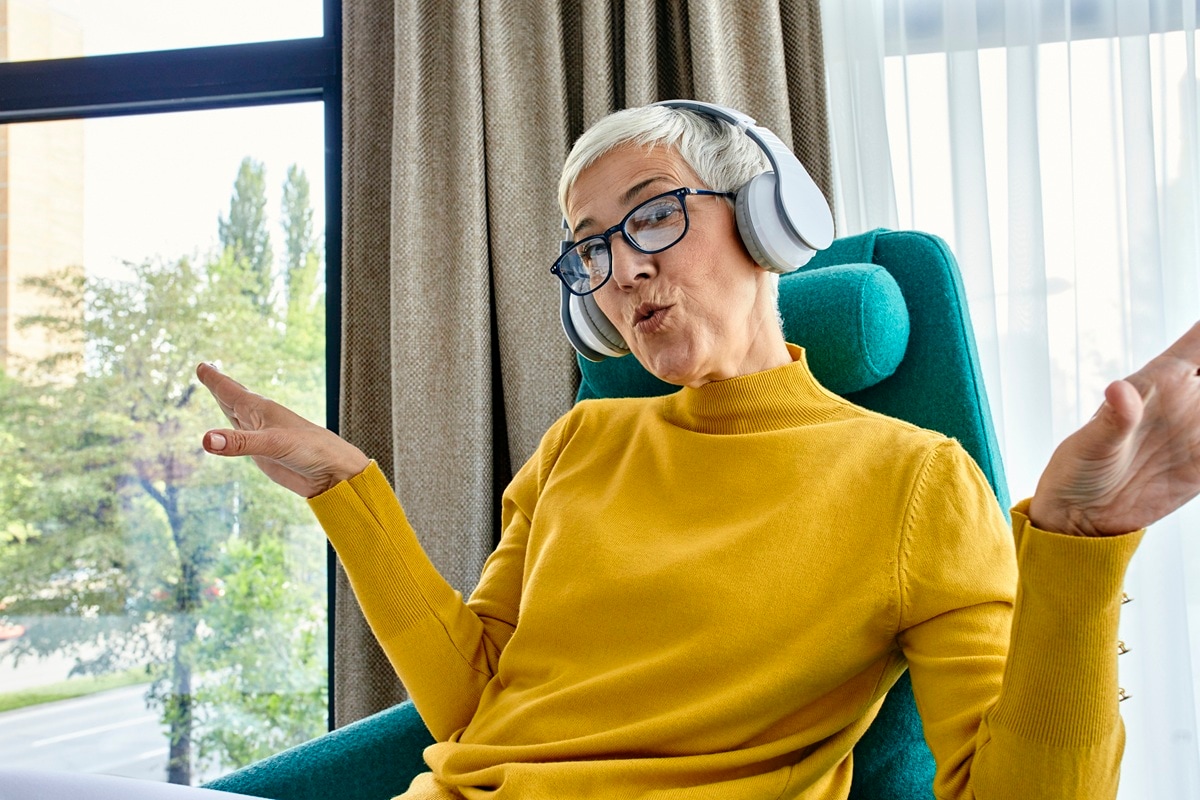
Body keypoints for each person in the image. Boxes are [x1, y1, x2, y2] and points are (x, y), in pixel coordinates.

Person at [4, 103, 1195, 799]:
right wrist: (346, 490)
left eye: (653, 216)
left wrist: (1083, 549)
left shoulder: (912, 477)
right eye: (587, 249)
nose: (620, 270)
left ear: (771, 221)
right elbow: (479, 698)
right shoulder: (585, 440)